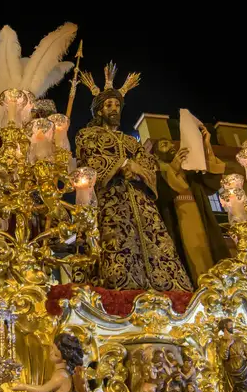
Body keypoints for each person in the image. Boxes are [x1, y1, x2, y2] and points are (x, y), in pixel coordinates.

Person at [75, 63, 192, 291]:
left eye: (117, 104)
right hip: (112, 200)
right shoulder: (87, 135)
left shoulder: (130, 141)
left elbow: (148, 162)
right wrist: (124, 164)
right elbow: (90, 159)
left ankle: (169, 290)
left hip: (140, 201)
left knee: (157, 246)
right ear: (99, 110)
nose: (114, 109)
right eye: (108, 104)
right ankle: (122, 291)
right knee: (117, 245)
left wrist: (139, 169)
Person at [153, 132, 231, 283]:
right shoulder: (158, 177)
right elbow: (163, 195)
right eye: (163, 145)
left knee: (211, 256)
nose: (169, 146)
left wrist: (206, 145)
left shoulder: (191, 174)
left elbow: (212, 182)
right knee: (192, 261)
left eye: (170, 143)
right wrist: (174, 166)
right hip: (180, 225)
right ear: (156, 156)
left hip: (203, 222)